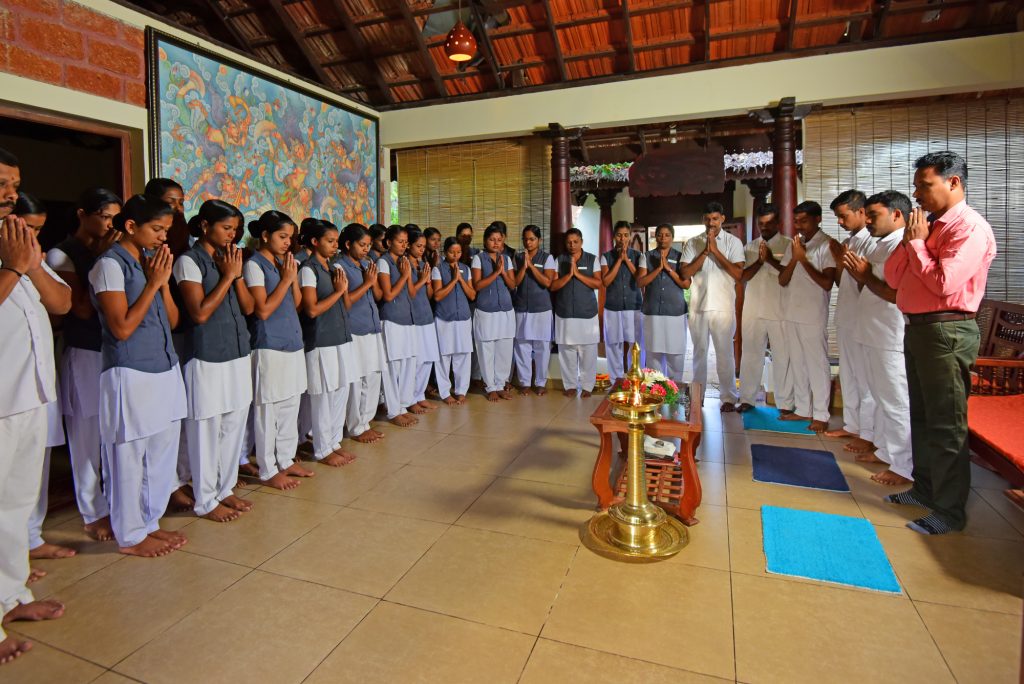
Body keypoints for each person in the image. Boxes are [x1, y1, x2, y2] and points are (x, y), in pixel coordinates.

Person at [883, 151, 996, 535]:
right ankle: (925, 489)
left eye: (924, 186)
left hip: (948, 330)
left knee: (947, 423)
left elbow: (946, 284)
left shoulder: (969, 228)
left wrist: (919, 246)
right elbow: (894, 277)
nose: (917, 195)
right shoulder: (927, 226)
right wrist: (912, 241)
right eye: (916, 186)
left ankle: (949, 512)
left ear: (954, 183)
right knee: (923, 415)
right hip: (919, 328)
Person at [0, 148, 71, 663]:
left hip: (29, 396)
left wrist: (29, 263)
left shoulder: (19, 242)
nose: (9, 192)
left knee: (15, 506)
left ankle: (11, 595)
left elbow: (63, 302)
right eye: (2, 183)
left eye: (14, 183)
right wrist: (12, 267)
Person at [89, 194, 188, 556]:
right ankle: (129, 535)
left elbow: (174, 321)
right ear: (131, 227)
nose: (164, 237)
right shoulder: (108, 266)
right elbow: (121, 329)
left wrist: (161, 283)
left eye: (167, 230)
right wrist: (151, 284)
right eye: (157, 229)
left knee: (161, 453)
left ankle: (149, 522)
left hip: (163, 367)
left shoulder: (149, 264)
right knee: (129, 458)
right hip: (129, 372)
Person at [47, 188, 122, 541]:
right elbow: (79, 307)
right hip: (83, 350)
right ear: (82, 214)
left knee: (111, 430)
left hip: (111, 351)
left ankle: (114, 500)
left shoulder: (111, 252)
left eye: (114, 219)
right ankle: (92, 511)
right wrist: (99, 259)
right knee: (86, 434)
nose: (110, 225)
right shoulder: (63, 253)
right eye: (105, 217)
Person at [174, 200, 256, 522]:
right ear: (205, 226)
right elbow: (199, 313)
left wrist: (234, 276)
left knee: (234, 422)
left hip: (236, 352)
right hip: (206, 355)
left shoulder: (230, 260)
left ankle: (225, 489)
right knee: (206, 427)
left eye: (235, 230)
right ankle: (205, 498)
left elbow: (248, 308)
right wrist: (227, 277)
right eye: (226, 228)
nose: (232, 235)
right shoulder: (188, 262)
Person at [15, 193, 76, 566]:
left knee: (34, 466)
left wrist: (30, 262)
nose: (34, 238)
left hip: (36, 380)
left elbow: (62, 303)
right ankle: (11, 559)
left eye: (38, 231)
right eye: (27, 229)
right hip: (9, 388)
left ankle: (30, 539)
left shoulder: (35, 260)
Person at [842, 191, 913, 487]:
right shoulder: (881, 245)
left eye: (874, 215)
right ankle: (885, 449)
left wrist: (864, 276)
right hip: (871, 330)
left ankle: (904, 466)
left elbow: (897, 294)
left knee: (896, 400)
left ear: (897, 215)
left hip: (889, 334)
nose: (868, 221)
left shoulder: (905, 245)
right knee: (881, 396)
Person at [243, 210, 313, 491]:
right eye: (282, 237)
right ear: (265, 236)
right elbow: (261, 310)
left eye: (290, 238)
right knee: (268, 409)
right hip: (268, 344)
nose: (287, 243)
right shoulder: (254, 265)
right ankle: (267, 468)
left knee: (290, 403)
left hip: (292, 341)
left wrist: (291, 275)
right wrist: (285, 279)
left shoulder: (283, 264)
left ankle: (286, 458)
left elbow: (296, 303)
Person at [297, 219, 358, 467]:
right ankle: (322, 448)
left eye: (335, 242)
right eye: (329, 241)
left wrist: (342, 289)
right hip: (321, 340)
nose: (335, 246)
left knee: (340, 390)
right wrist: (337, 291)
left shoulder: (333, 267)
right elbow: (311, 310)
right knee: (323, 395)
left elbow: (345, 304)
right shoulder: (308, 269)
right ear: (315, 242)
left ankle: (334, 442)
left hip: (341, 336)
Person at [825, 190, 877, 455]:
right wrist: (839, 261)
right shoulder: (851, 241)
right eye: (838, 217)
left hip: (863, 320)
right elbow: (841, 282)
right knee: (849, 376)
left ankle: (868, 434)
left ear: (861, 212)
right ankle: (853, 425)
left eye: (844, 216)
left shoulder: (871, 242)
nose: (841, 222)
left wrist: (842, 262)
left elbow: (869, 283)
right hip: (846, 317)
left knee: (864, 379)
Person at [778, 201, 836, 433]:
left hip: (813, 314)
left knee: (817, 364)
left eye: (804, 220)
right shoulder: (796, 244)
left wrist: (803, 259)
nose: (799, 225)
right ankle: (803, 408)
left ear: (818, 219)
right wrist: (795, 257)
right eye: (797, 221)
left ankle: (821, 414)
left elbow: (826, 282)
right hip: (792, 312)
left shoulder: (827, 245)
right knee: (798, 363)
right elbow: (782, 280)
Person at [681, 202, 744, 410]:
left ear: (722, 219)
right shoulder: (692, 243)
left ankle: (728, 398)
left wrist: (716, 251)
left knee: (724, 354)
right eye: (707, 219)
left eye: (715, 219)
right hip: (698, 307)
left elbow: (738, 274)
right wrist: (705, 252)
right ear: (703, 220)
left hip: (723, 308)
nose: (711, 223)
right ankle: (697, 396)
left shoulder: (733, 242)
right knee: (699, 354)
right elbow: (685, 273)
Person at [737, 205, 791, 413]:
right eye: (761, 224)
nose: (764, 227)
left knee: (782, 356)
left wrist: (769, 259)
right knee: (750, 354)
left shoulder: (788, 246)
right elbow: (742, 277)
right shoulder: (749, 247)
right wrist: (760, 262)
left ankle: (785, 402)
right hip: (753, 309)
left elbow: (789, 277)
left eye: (769, 223)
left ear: (778, 223)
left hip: (779, 309)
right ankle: (748, 399)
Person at [337, 223, 388, 442]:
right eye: (361, 245)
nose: (366, 249)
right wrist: (367, 283)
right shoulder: (339, 267)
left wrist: (372, 281)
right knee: (357, 379)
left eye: (368, 245)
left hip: (372, 325)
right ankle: (356, 426)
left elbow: (377, 296)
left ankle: (366, 421)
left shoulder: (368, 263)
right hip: (355, 328)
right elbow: (345, 303)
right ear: (348, 244)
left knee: (373, 374)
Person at [377, 225, 422, 423]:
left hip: (408, 318)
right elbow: (387, 295)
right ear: (388, 242)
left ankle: (403, 404)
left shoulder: (405, 262)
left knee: (408, 362)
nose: (404, 245)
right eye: (400, 241)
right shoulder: (383, 263)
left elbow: (412, 293)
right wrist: (404, 276)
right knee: (393, 365)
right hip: (392, 319)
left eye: (406, 242)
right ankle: (393, 410)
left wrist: (411, 275)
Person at [550, 228, 602, 397]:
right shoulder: (560, 260)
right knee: (567, 350)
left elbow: (598, 283)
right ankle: (570, 385)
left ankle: (587, 386)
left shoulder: (592, 259)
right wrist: (568, 276)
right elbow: (553, 286)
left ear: (581, 242)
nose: (572, 245)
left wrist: (578, 274)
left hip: (587, 312)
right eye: (569, 242)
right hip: (565, 312)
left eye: (575, 242)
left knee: (588, 351)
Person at [638, 224, 690, 385]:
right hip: (652, 311)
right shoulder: (646, 256)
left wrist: (668, 269)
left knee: (675, 353)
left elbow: (686, 284)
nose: (663, 238)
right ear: (656, 237)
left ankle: (675, 388)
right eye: (660, 235)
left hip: (675, 312)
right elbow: (641, 281)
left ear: (672, 237)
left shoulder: (681, 256)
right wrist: (658, 269)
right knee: (653, 353)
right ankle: (656, 390)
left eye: (667, 235)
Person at [472, 224, 516, 401]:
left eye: (499, 240)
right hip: (486, 310)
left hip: (505, 310)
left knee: (504, 349)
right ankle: (490, 386)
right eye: (492, 240)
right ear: (485, 241)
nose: (495, 243)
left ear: (503, 241)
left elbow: (512, 285)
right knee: (486, 348)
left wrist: (503, 273)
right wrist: (496, 272)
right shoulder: (478, 259)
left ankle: (501, 384)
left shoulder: (507, 259)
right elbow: (477, 285)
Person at [512, 225, 555, 395]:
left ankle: (540, 383)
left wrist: (532, 266)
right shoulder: (518, 258)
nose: (528, 242)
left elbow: (547, 282)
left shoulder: (547, 258)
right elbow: (515, 282)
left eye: (532, 239)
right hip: (522, 307)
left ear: (539, 240)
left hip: (542, 309)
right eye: (525, 239)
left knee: (542, 347)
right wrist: (524, 266)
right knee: (522, 345)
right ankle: (524, 383)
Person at [432, 237, 476, 404]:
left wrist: (461, 279)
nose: (455, 255)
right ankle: (445, 392)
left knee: (463, 355)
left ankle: (461, 390)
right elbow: (437, 295)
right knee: (444, 356)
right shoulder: (438, 269)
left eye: (458, 252)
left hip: (463, 318)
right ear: (445, 252)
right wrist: (453, 280)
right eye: (452, 252)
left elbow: (472, 295)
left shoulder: (466, 269)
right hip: (444, 318)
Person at [600, 220, 643, 386]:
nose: (622, 238)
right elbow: (606, 281)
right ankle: (615, 381)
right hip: (613, 307)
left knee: (635, 344)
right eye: (619, 235)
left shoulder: (639, 256)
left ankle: (635, 380)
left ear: (630, 236)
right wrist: (619, 260)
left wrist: (627, 260)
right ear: (614, 237)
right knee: (613, 344)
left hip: (634, 306)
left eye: (626, 235)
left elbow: (640, 280)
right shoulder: (606, 257)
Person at [406, 228, 441, 411]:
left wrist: (427, 282)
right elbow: (410, 292)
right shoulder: (404, 264)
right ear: (409, 245)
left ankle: (419, 394)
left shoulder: (423, 263)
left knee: (428, 358)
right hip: (414, 317)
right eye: (418, 246)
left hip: (426, 314)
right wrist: (422, 280)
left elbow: (429, 294)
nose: (421, 250)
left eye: (423, 247)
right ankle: (410, 398)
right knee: (417, 360)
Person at [144, 177, 189, 257]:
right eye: (170, 202)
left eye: (181, 203)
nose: (178, 208)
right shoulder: (145, 239)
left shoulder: (185, 232)